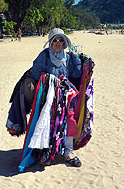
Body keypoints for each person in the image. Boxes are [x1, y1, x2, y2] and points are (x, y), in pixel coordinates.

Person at [30, 28, 83, 167]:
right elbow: (35, 72)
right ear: (50, 42)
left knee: (69, 121)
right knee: (49, 122)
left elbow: (76, 74)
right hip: (48, 96)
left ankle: (68, 152)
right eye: (55, 40)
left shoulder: (68, 57)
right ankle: (47, 151)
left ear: (65, 42)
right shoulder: (45, 55)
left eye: (61, 40)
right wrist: (50, 79)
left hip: (66, 96)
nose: (58, 43)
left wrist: (76, 57)